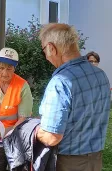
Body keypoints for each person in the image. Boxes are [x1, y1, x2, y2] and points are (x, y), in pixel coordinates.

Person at [37, 23, 110, 171]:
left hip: (68, 163)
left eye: (43, 50)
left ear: (52, 48)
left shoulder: (60, 82)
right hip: (95, 160)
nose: (45, 56)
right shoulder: (100, 75)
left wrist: (30, 130)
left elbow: (52, 137)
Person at [0, 47, 33, 135]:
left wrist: (11, 135)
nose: (5, 73)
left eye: (9, 69)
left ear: (14, 68)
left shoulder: (22, 86)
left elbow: (24, 117)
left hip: (13, 136)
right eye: (1, 68)